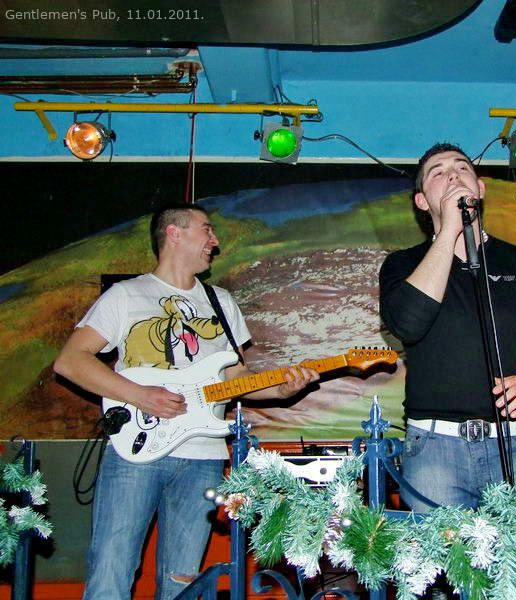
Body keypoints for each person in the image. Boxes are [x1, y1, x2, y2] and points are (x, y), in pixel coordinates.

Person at [53, 203, 319, 600]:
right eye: (206, 229)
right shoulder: (126, 295)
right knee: (112, 567)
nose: (215, 240)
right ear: (174, 233)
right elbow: (71, 361)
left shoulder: (221, 302)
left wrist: (280, 389)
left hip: (203, 457)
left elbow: (234, 379)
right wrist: (139, 395)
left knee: (183, 580)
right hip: (135, 451)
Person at [379, 142, 516, 513]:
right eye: (438, 172)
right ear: (422, 201)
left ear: (479, 188)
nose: (452, 174)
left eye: (462, 167)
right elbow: (408, 324)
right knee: (441, 552)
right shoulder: (402, 265)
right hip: (434, 449)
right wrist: (450, 230)